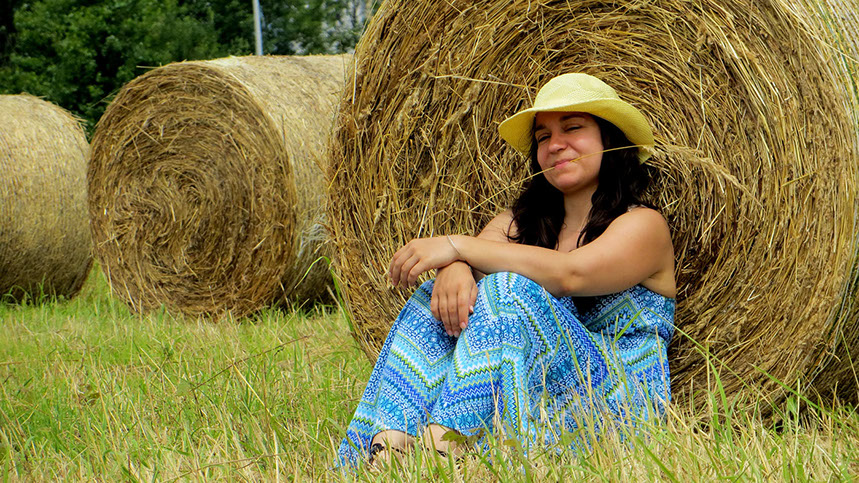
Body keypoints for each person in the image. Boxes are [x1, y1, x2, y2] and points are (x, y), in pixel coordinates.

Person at [336, 73, 676, 468]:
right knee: (434, 295)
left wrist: (457, 247)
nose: (556, 145)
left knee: (508, 287)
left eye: (573, 128)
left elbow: (571, 275)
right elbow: (472, 266)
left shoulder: (643, 224)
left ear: (610, 140)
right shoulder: (518, 223)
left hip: (612, 403)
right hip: (533, 391)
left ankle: (443, 445)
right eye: (543, 137)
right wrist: (457, 267)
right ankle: (389, 443)